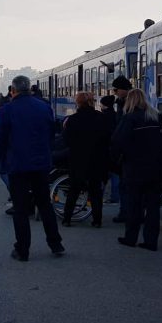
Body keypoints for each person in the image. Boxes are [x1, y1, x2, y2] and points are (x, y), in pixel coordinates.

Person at [0, 75, 65, 261]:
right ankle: (55, 243)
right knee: (45, 204)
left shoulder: (7, 110)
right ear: (29, 89)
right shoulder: (44, 107)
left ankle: (22, 250)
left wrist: (3, 158)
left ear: (13, 90)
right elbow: (51, 134)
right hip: (41, 164)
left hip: (17, 165)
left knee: (21, 209)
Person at [111, 89, 162, 250]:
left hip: (134, 168)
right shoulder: (157, 117)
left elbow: (117, 141)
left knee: (134, 205)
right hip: (156, 168)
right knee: (153, 207)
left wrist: (116, 161)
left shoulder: (129, 118)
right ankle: (151, 241)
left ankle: (131, 237)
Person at [61, 91, 109, 227]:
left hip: (78, 159)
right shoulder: (101, 118)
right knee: (95, 192)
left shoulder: (72, 119)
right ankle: (97, 220)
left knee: (74, 190)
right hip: (96, 159)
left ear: (78, 103)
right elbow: (106, 139)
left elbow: (67, 140)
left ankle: (67, 219)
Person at [109, 76, 133, 223]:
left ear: (124, 89)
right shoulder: (122, 103)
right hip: (129, 151)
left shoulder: (125, 106)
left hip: (126, 152)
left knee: (124, 185)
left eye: (116, 89)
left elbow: (120, 129)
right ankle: (130, 212)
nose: (115, 92)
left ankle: (125, 212)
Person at [99, 95, 120, 203]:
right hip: (115, 148)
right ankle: (115, 196)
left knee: (102, 175)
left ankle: (99, 196)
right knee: (115, 173)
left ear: (104, 105)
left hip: (104, 149)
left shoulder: (102, 117)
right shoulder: (116, 115)